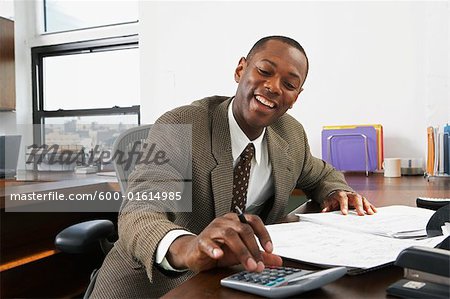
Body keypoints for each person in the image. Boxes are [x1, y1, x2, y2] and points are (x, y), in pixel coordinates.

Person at [91, 36, 377, 298]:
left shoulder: (290, 134)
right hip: (155, 284)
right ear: (241, 70)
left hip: (240, 280)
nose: (274, 87)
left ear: (295, 97)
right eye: (264, 71)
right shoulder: (182, 125)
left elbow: (320, 173)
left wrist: (337, 190)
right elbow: (140, 210)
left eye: (289, 84)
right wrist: (188, 248)